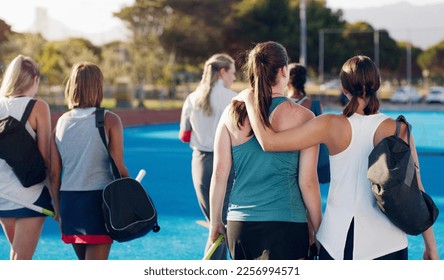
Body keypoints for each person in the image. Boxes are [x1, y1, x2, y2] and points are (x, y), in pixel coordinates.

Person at [236, 55, 439, 260]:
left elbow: (269, 142)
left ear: (344, 89)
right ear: (376, 85)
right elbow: (417, 191)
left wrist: (249, 100)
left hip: (337, 241)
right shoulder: (400, 129)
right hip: (389, 242)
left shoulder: (329, 124)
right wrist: (431, 247)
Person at [209, 41, 321, 260]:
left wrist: (215, 221)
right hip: (287, 223)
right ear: (283, 71)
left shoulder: (230, 113)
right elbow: (307, 181)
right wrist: (320, 227)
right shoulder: (304, 117)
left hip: (240, 224)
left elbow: (220, 173)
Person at [50, 62, 129, 260]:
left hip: (69, 202)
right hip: (99, 202)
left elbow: (53, 174)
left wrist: (59, 210)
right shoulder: (110, 119)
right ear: (98, 87)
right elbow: (118, 165)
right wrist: (132, 191)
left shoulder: (61, 122)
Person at [178, 54, 237, 260]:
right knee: (221, 222)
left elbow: (184, 136)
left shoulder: (192, 98)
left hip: (201, 163)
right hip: (229, 162)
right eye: (232, 73)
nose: (233, 78)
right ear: (222, 72)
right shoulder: (233, 98)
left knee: (215, 222)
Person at [0, 55, 53, 259]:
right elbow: (45, 157)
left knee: (15, 256)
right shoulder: (38, 106)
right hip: (30, 194)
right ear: (35, 79)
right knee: (21, 261)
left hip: (2, 193)